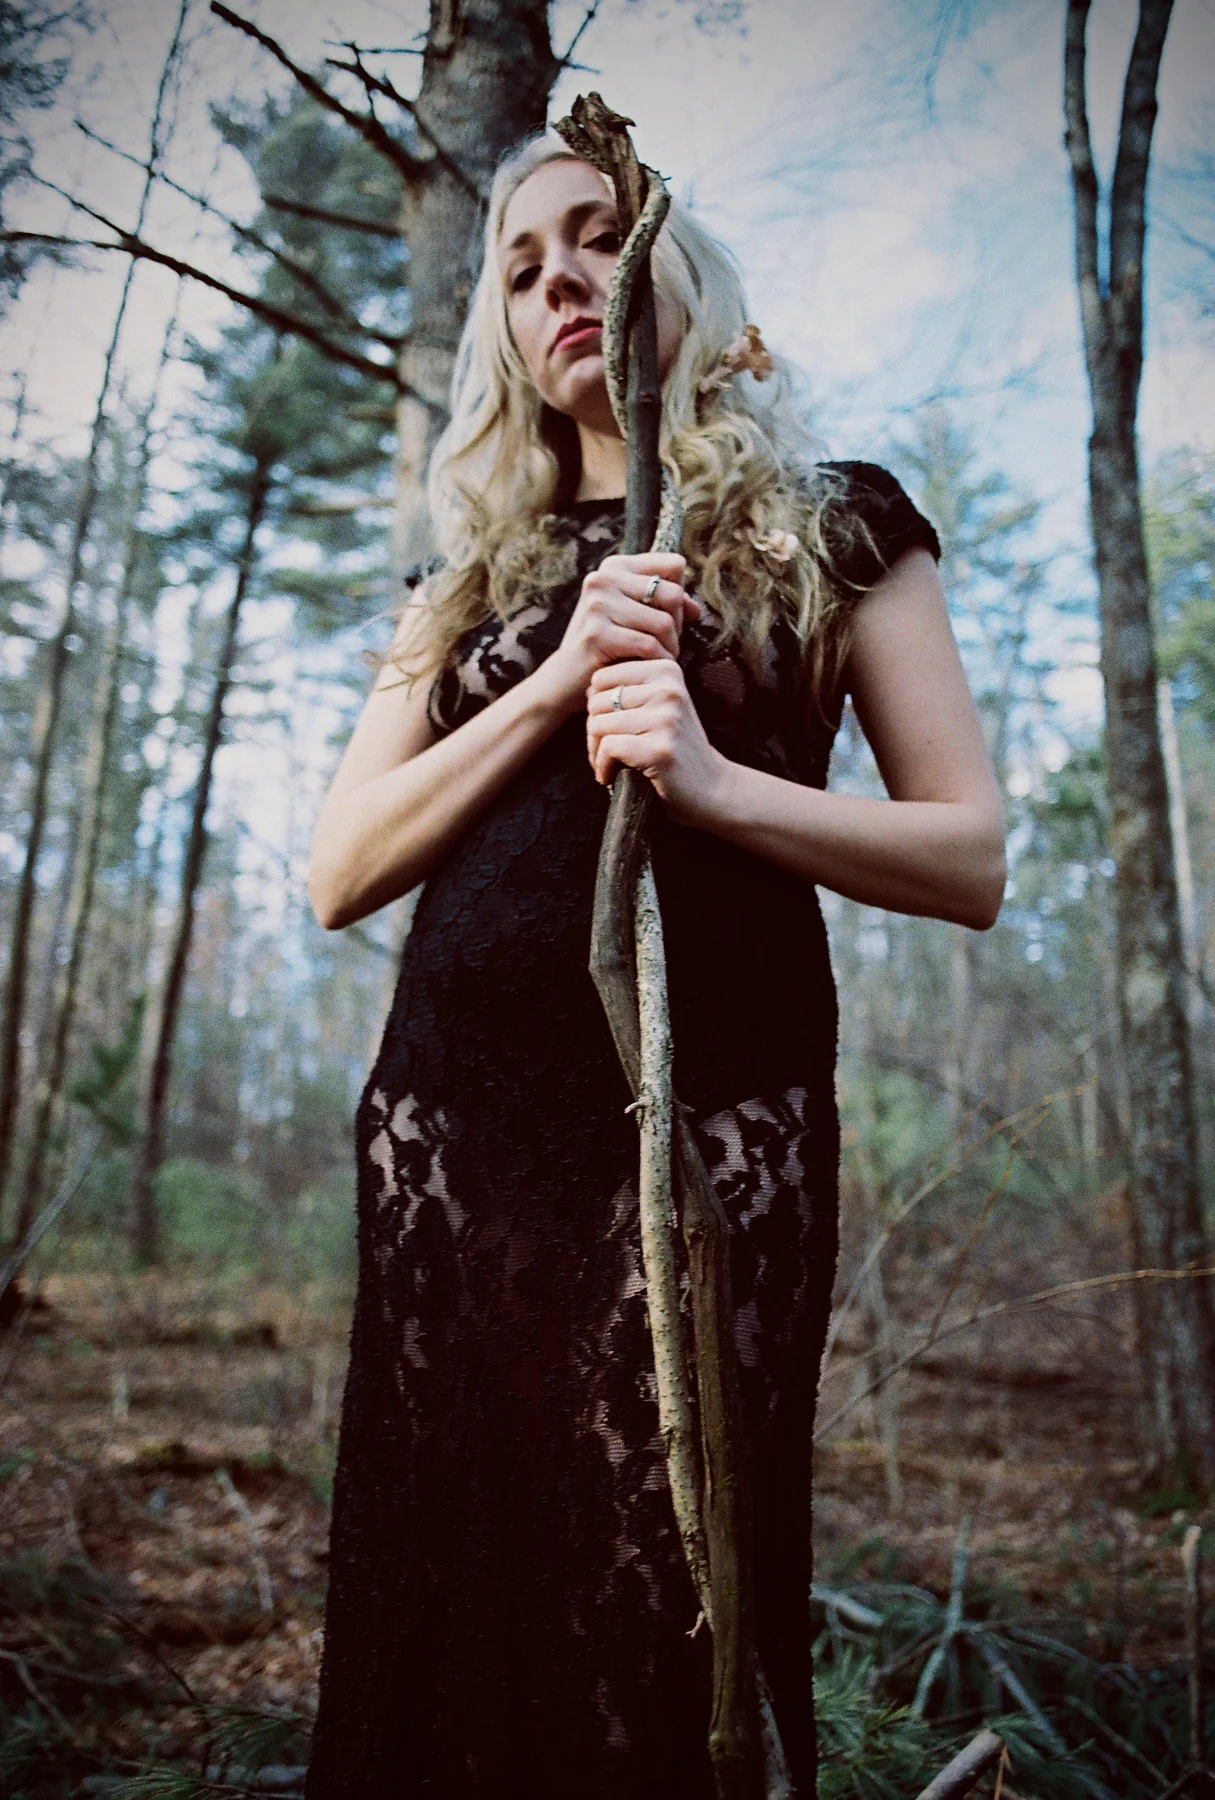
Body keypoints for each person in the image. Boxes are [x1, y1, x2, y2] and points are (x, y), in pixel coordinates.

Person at [304, 135, 1005, 1800]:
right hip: (451, 1134)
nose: (561, 279)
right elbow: (341, 869)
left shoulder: (836, 525)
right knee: (449, 1569)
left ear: (674, 266)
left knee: (663, 1586)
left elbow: (967, 857)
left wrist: (709, 783)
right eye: (520, 265)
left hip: (711, 1122)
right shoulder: (461, 582)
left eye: (598, 235)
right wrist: (552, 682)